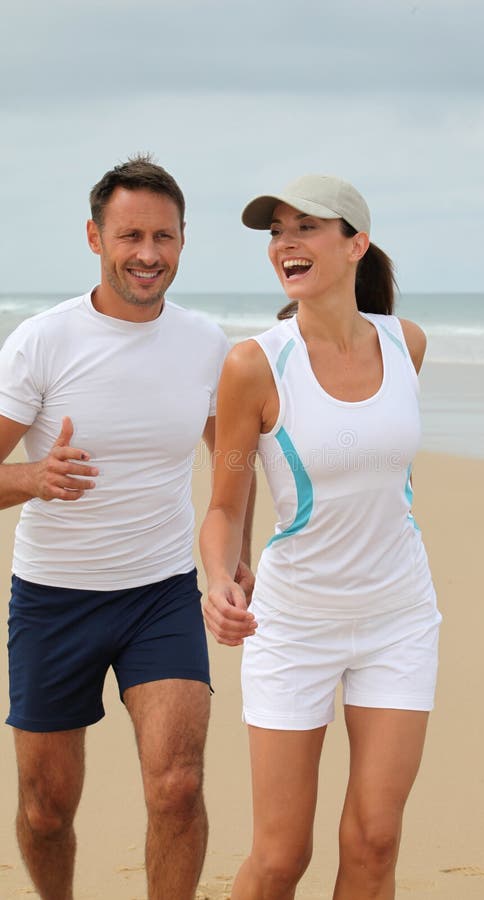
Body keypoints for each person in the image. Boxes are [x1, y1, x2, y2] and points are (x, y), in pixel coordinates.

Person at [0, 154, 253, 900]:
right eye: (131, 235)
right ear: (94, 237)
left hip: (161, 594)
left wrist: (232, 559)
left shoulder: (208, 345)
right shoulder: (42, 343)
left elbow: (231, 468)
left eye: (164, 237)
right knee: (47, 810)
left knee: (176, 786)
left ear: (182, 242)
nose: (148, 254)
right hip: (54, 600)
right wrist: (30, 478)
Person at [200, 174, 442, 899]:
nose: (286, 243)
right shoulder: (253, 364)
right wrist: (219, 581)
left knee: (375, 840)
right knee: (280, 857)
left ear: (355, 244)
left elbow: (386, 475)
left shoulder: (408, 344)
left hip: (399, 617)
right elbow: (223, 506)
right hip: (294, 624)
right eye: (277, 231)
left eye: (306, 227)